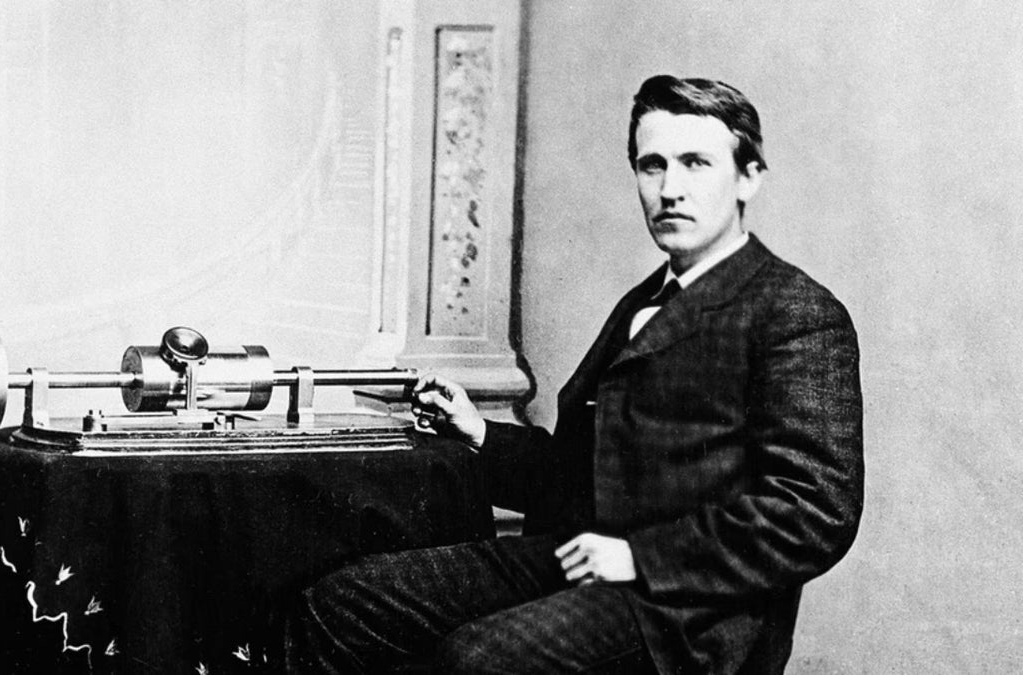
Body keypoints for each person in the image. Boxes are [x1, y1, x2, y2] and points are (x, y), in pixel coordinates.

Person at [284, 74, 863, 674]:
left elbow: (815, 512)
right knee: (343, 606)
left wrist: (639, 557)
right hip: (583, 561)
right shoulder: (644, 302)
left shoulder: (793, 311)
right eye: (652, 165)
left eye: (696, 164)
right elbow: (588, 477)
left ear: (748, 178)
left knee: (478, 662)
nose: (670, 189)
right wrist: (478, 433)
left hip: (689, 618)